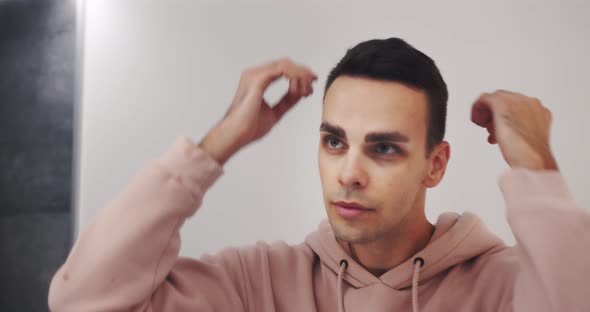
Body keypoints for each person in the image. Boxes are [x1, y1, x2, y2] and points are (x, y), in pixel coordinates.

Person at [48, 38, 590, 312]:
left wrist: (536, 167)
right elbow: (82, 299)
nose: (348, 173)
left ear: (436, 164)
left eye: (382, 149)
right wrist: (218, 144)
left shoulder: (505, 287)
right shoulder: (257, 283)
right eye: (334, 141)